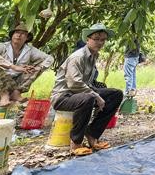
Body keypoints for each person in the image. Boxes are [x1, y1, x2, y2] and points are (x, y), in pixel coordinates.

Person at [51, 24, 123, 156]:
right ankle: (76, 143)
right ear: (87, 39)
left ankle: (92, 134)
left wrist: (98, 93)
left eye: (102, 40)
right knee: (88, 98)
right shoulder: (78, 57)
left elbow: (87, 83)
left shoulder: (93, 55)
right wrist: (96, 95)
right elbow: (74, 84)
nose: (100, 42)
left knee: (116, 94)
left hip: (79, 94)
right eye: (96, 39)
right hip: (63, 97)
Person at [0, 23, 53, 105]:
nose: (19, 35)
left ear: (27, 38)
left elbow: (49, 58)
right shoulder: (1, 46)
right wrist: (14, 67)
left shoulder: (30, 50)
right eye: (17, 33)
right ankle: (4, 95)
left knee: (33, 68)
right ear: (12, 35)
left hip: (15, 85)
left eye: (23, 34)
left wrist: (38, 68)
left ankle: (16, 93)